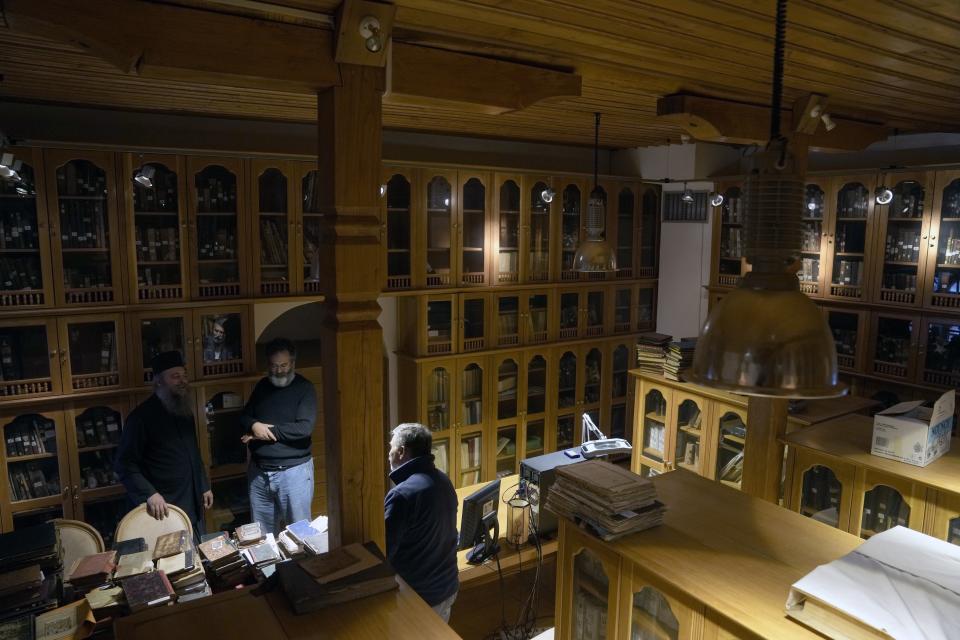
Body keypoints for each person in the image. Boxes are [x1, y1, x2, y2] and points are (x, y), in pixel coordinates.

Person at [115, 351, 213, 538]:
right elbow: (124, 464)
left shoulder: (184, 411)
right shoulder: (140, 418)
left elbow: (193, 453)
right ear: (159, 381)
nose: (183, 381)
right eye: (175, 377)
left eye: (184, 375)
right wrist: (150, 494)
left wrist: (203, 485)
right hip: (163, 508)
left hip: (191, 500)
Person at [240, 338, 317, 535]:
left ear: (292, 363)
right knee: (262, 538)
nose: (279, 370)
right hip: (259, 474)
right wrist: (254, 424)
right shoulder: (262, 386)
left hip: (294, 473)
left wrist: (265, 432)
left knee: (301, 535)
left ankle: (303, 567)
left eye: (283, 365)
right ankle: (271, 568)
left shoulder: (305, 388)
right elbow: (244, 416)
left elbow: (304, 428)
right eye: (274, 366)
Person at [385, 423, 459, 623]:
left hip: (419, 596)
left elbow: (386, 550)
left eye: (390, 448)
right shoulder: (444, 480)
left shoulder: (402, 494)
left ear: (401, 451)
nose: (388, 454)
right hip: (447, 587)